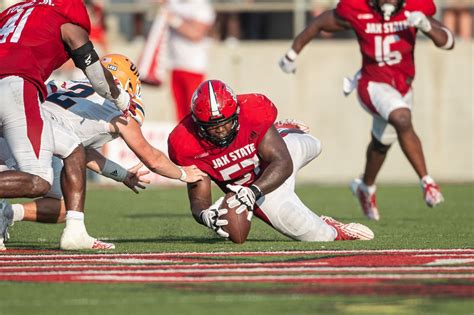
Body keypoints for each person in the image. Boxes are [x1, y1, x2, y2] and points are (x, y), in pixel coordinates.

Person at [0, 54, 207, 249]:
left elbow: (81, 153)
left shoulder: (65, 85)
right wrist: (182, 174)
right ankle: (73, 233)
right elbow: (151, 157)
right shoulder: (115, 106)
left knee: (67, 205)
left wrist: (123, 175)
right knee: (41, 184)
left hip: (14, 123)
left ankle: (6, 213)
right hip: (35, 133)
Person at [279, 0, 454, 221]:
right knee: (401, 118)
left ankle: (365, 186)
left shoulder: (415, 9)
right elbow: (320, 23)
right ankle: (428, 183)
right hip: (371, 85)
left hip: (403, 87)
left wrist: (426, 26)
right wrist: (291, 55)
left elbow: (448, 42)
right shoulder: (358, 9)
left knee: (382, 143)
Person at [0, 0, 137, 249]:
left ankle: (76, 231)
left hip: (13, 85)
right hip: (16, 84)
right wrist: (120, 97)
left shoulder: (16, 10)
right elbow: (96, 74)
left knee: (73, 148)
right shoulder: (66, 13)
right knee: (39, 179)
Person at [168, 80, 374, 242]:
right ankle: (335, 229)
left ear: (237, 115)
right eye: (213, 126)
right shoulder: (186, 143)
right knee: (318, 236)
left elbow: (283, 163)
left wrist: (254, 191)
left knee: (314, 144)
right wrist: (206, 217)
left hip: (268, 173)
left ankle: (279, 131)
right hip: (252, 189)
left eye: (226, 123)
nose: (221, 130)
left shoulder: (253, 112)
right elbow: (198, 199)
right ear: (198, 124)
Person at [139, 0, 215, 121]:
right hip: (174, 65)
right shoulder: (173, 3)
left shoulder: (202, 6)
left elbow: (196, 33)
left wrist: (174, 20)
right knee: (180, 115)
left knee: (195, 110)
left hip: (193, 66)